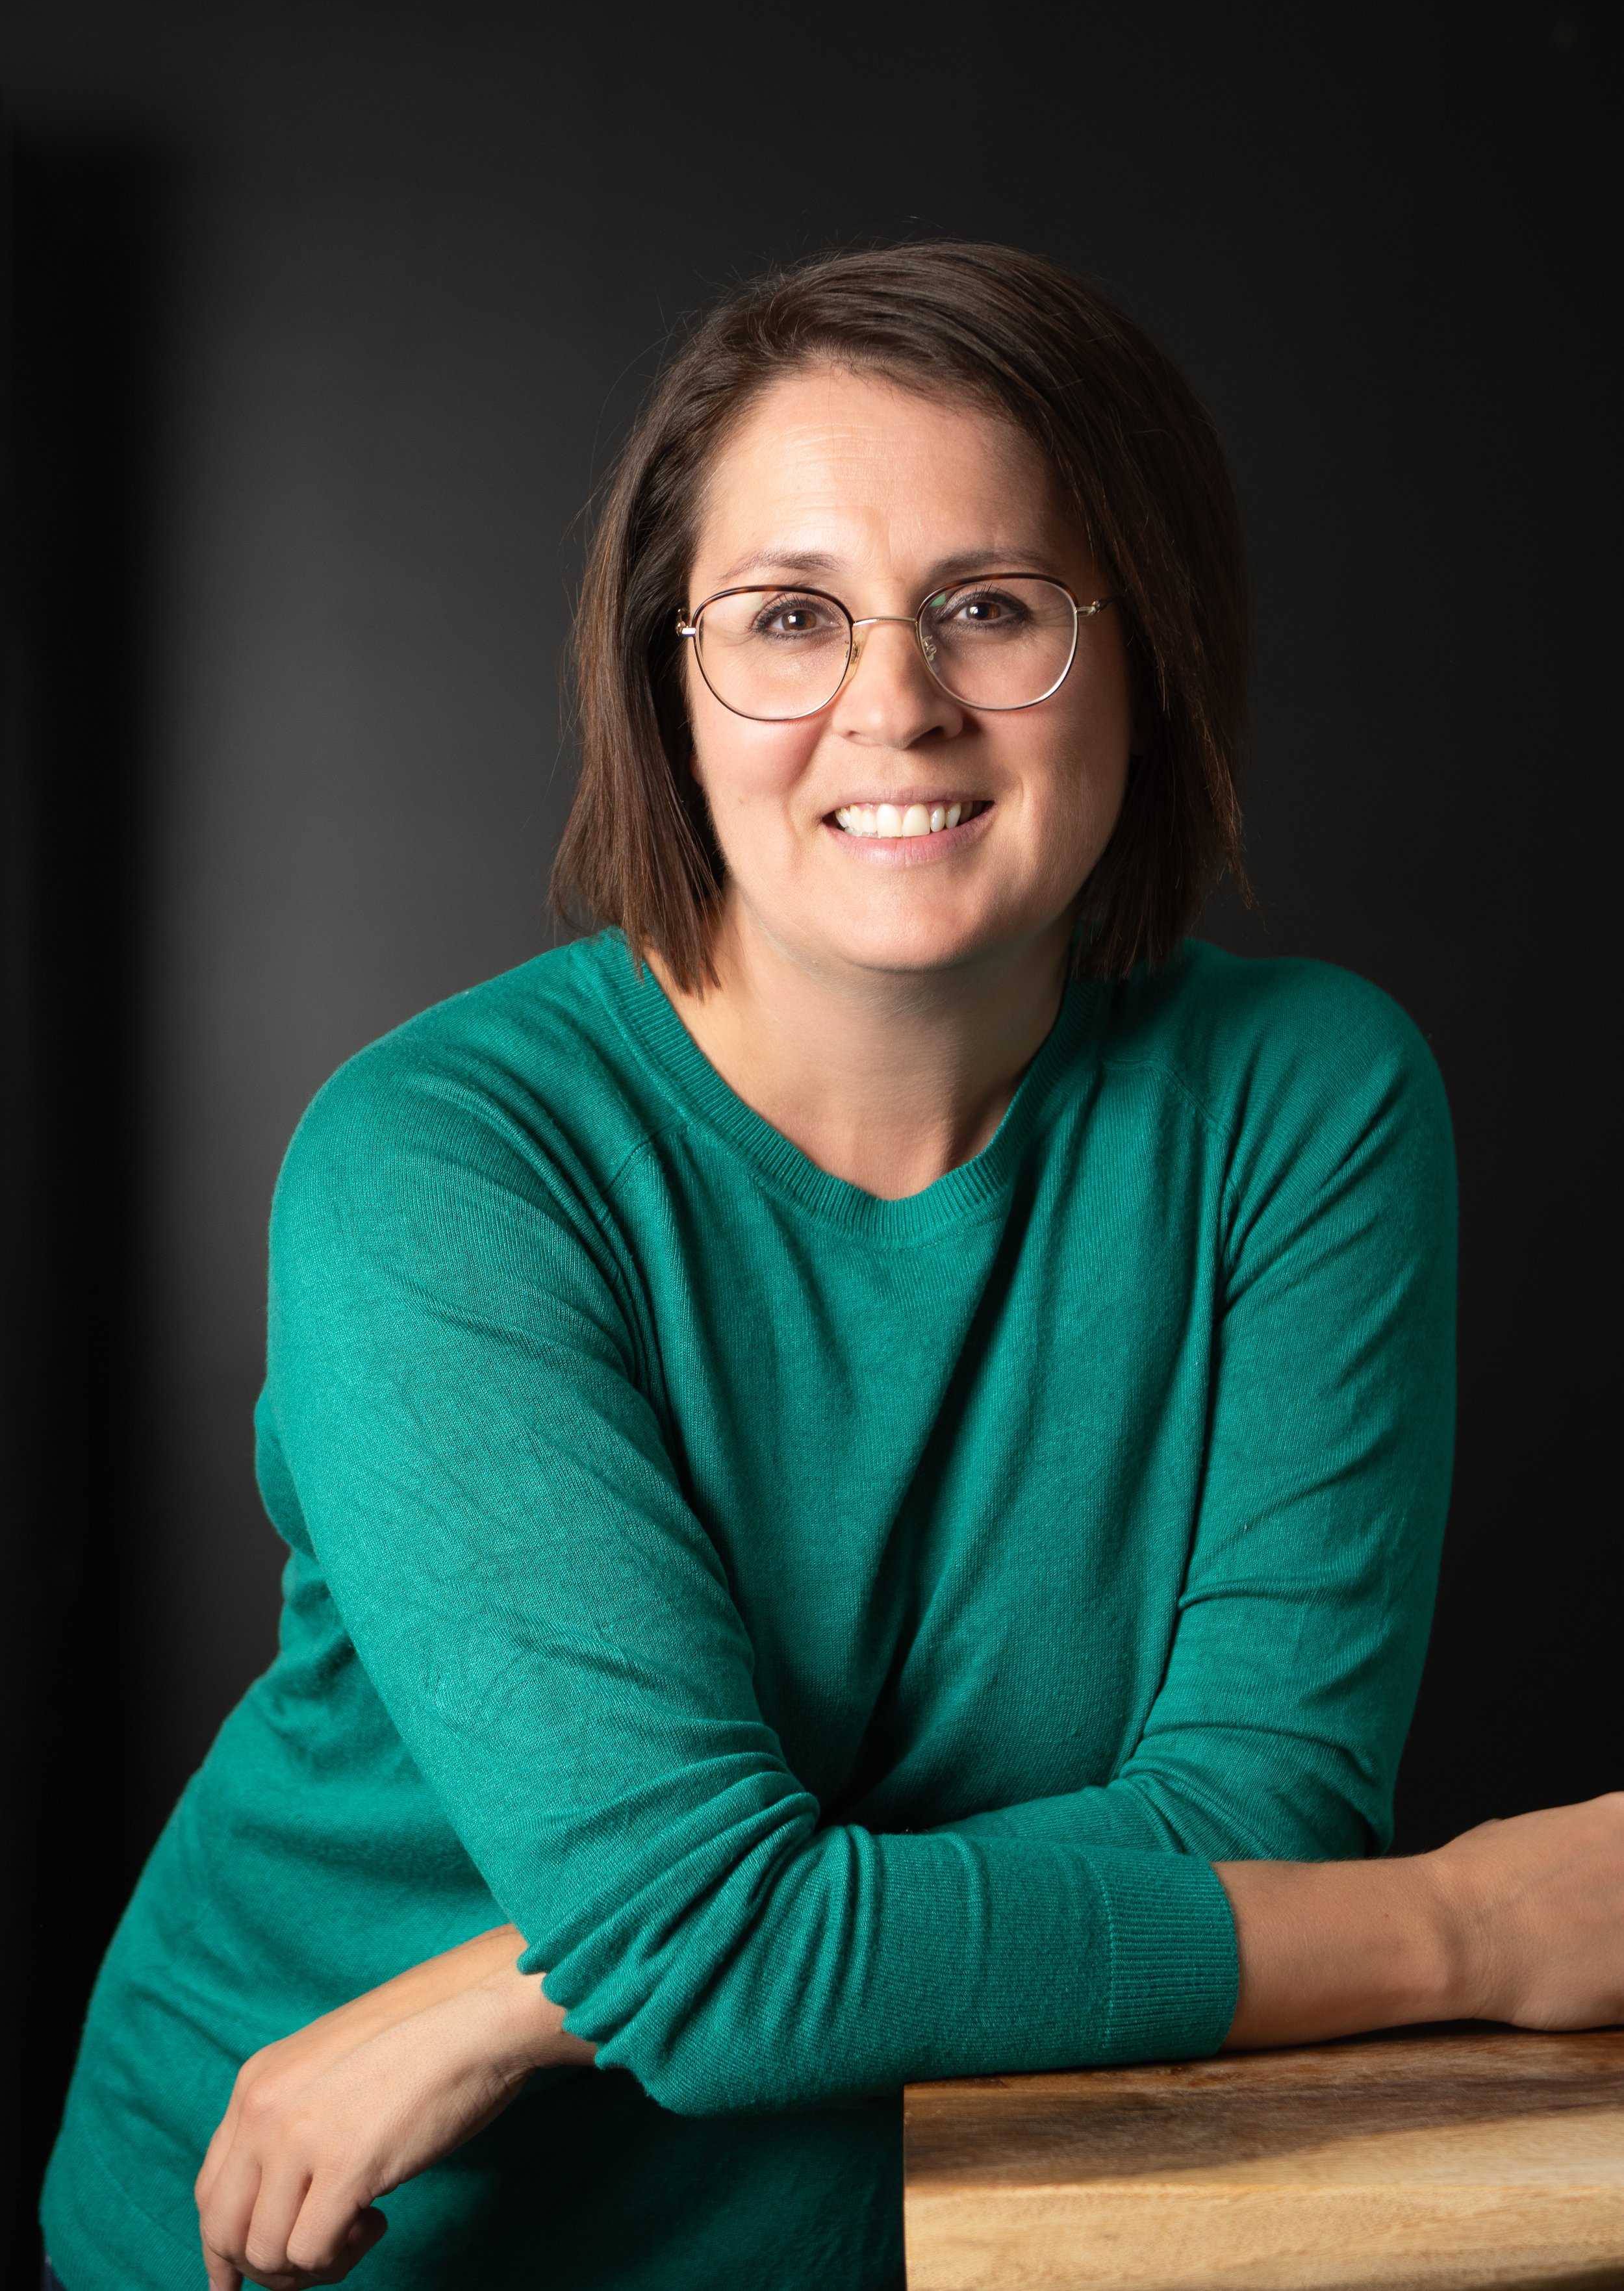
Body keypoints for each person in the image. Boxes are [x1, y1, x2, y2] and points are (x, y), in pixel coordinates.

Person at [40, 242, 1624, 2291]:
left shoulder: (1302, 1106)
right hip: (358, 2241)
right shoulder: (443, 1164)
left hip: (942, 2227)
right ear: (666, 681)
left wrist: (526, 1990)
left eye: (992, 608)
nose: (893, 702)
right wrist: (1471, 1928)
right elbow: (716, 1956)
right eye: (786, 617)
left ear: (1146, 652)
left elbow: (1261, 1823)